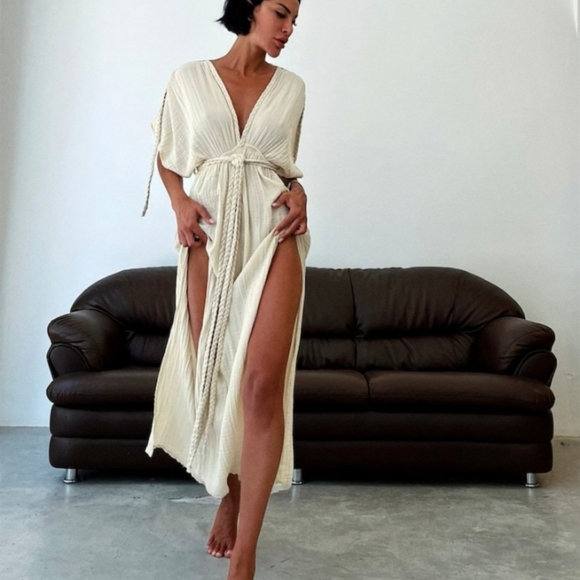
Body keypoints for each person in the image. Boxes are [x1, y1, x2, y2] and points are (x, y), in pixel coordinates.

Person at [142, 1, 306, 579]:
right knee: (217, 377)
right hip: (208, 234)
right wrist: (178, 203)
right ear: (250, 6)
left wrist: (301, 195)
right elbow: (166, 152)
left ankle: (247, 552)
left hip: (276, 234)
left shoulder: (292, 88)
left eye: (295, 20)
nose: (288, 29)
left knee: (261, 385)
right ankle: (231, 497)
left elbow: (286, 170)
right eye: (281, 13)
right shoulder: (189, 78)